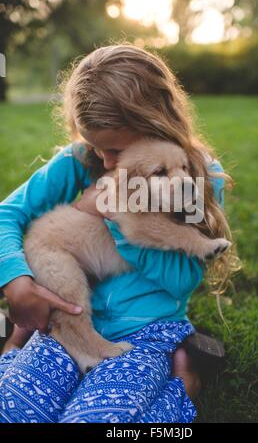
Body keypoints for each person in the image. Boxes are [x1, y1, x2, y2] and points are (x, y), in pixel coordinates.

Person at [0, 44, 236, 423]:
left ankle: (184, 385)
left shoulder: (191, 177)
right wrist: (16, 279)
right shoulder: (84, 158)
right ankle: (16, 350)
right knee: (11, 410)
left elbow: (181, 282)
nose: (105, 161)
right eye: (96, 147)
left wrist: (120, 221)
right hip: (66, 327)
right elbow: (7, 215)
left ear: (156, 126)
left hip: (147, 333)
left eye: (115, 150)